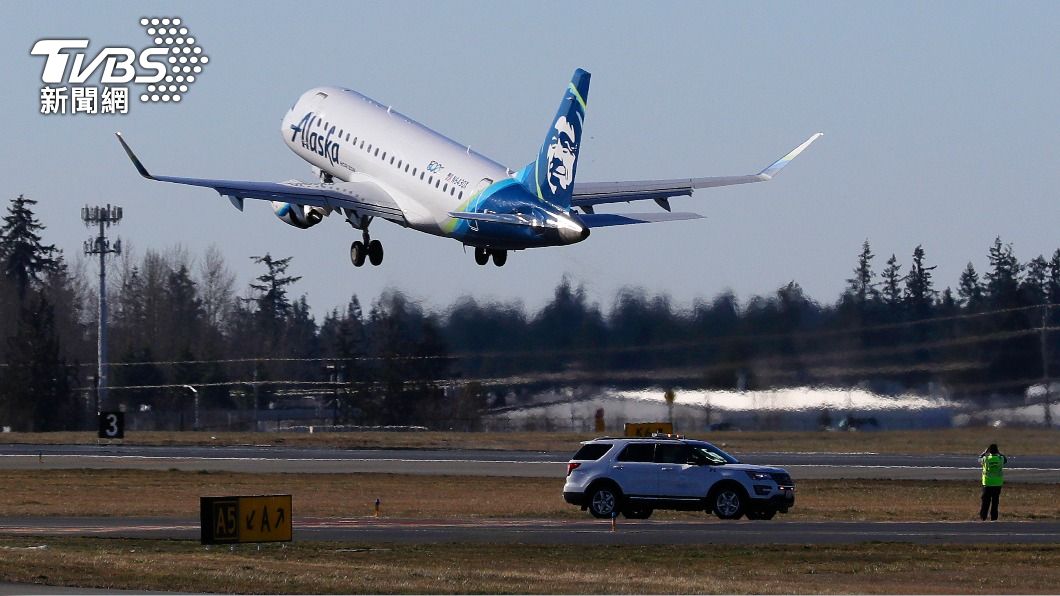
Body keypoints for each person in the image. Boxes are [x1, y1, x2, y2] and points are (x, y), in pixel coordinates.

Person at [978, 443, 1007, 521]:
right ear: (997, 451)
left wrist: (984, 452)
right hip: (997, 484)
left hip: (987, 484)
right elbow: (1005, 459)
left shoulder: (986, 459)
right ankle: (994, 517)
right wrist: (999, 453)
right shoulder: (1000, 459)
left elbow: (979, 458)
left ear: (989, 451)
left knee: (985, 502)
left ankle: (983, 516)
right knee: (995, 502)